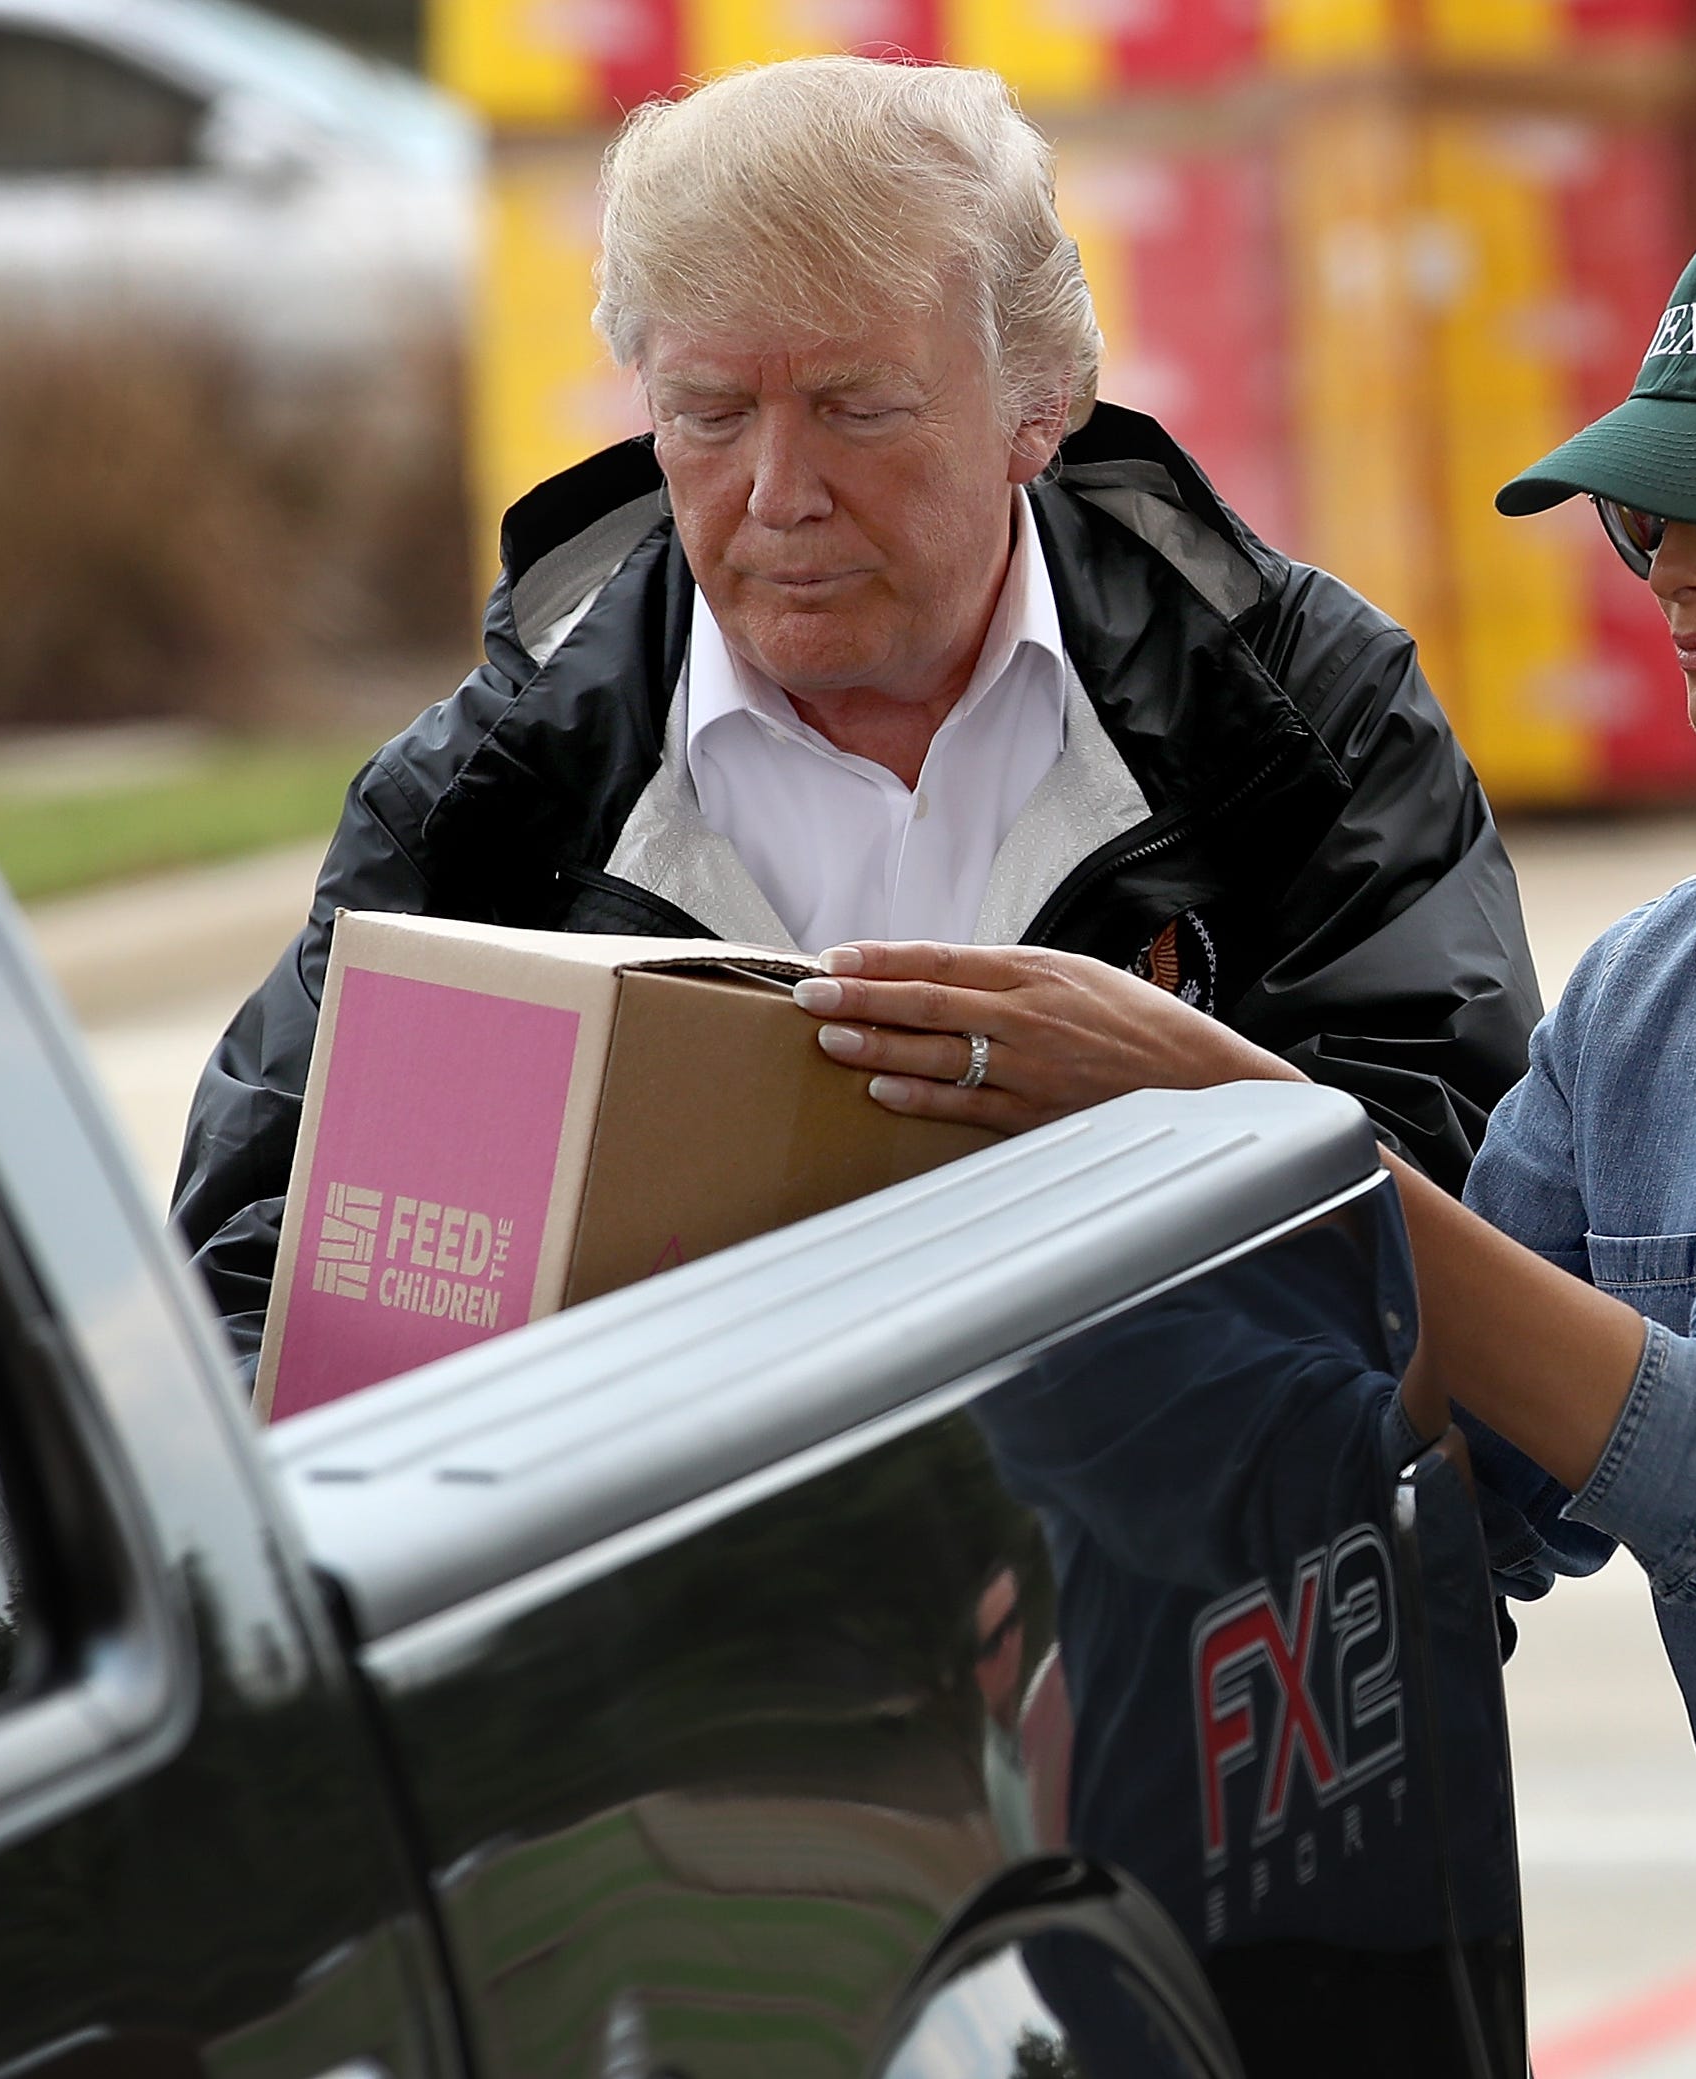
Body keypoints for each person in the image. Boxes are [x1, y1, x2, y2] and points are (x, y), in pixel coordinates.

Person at [792, 159, 1696, 2076]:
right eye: (1642, 515)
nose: (1667, 568)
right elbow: (1436, 1470)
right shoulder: (1655, 995)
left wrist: (1242, 1118)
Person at [169, 55, 1541, 1365]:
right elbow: (257, 1301)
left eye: (857, 408)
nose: (779, 491)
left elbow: (1494, 1233)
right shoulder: (486, 803)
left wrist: (1175, 1109)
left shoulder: (1295, 717)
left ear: (1038, 401)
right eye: (708, 414)